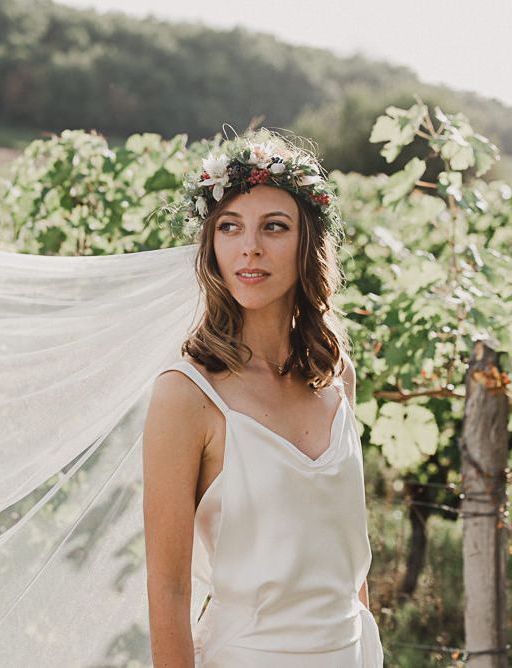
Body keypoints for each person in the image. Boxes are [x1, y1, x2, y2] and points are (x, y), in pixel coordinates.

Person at [142, 128, 385, 667]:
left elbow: (350, 559)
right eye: (230, 227)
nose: (249, 246)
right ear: (212, 245)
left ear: (307, 244)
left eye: (274, 227)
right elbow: (169, 590)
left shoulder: (334, 371)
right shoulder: (186, 397)